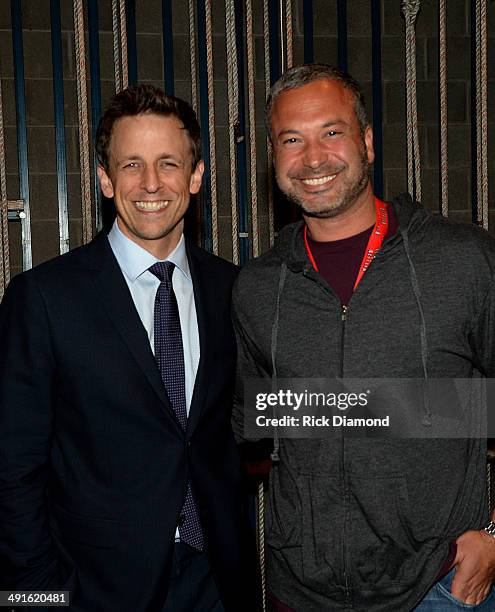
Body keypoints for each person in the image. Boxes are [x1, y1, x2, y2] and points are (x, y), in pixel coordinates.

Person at [232, 64, 495, 611]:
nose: (312, 158)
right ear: (273, 158)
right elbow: (258, 430)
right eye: (291, 140)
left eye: (332, 132)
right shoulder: (258, 286)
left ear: (367, 142)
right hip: (301, 594)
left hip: (440, 588)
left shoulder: (465, 261)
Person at [0, 84, 257, 612]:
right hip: (92, 587)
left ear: (196, 174)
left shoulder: (235, 290)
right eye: (131, 165)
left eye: (168, 163)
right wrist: (38, 598)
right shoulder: (44, 298)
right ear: (105, 180)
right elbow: (10, 469)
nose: (151, 184)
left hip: (218, 581)